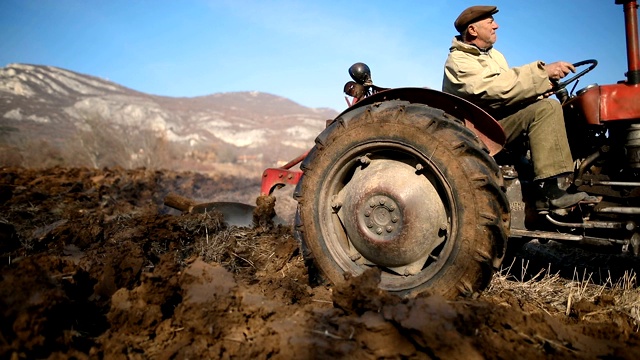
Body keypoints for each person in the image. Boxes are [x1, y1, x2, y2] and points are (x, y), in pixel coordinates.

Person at [442, 5, 587, 211]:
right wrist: (541, 73)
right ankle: (550, 191)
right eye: (490, 22)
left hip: (497, 120)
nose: (496, 26)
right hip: (480, 129)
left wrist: (536, 92)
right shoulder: (458, 61)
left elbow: (508, 91)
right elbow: (494, 89)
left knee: (544, 104)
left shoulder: (495, 56)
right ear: (473, 30)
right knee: (547, 109)